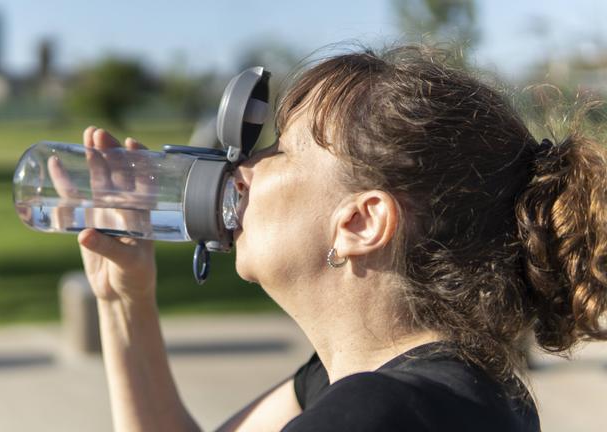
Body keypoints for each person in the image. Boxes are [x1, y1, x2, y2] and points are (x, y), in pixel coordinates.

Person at [71, 45, 607, 431]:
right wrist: (125, 299)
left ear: (360, 223)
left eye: (280, 149)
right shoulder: (443, 391)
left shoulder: (375, 414)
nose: (245, 166)